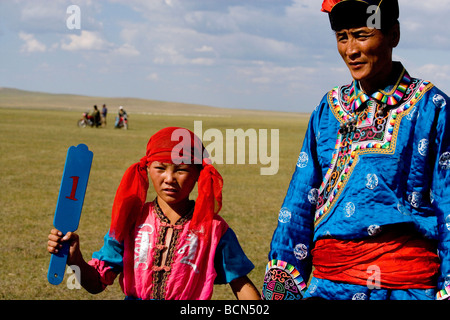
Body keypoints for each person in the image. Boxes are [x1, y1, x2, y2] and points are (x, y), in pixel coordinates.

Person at [262, 0, 450, 300]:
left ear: (393, 35)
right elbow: (298, 205)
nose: (351, 50)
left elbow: (448, 205)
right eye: (342, 37)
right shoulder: (328, 110)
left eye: (362, 35)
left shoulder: (432, 108)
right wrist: (281, 290)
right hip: (327, 290)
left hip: (406, 291)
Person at [48, 127, 260, 300]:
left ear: (197, 174)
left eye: (181, 169)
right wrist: (74, 258)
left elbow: (240, 282)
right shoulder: (131, 220)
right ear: (148, 168)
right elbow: (95, 285)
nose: (169, 178)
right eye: (160, 168)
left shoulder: (213, 229)